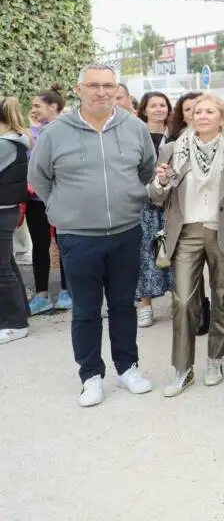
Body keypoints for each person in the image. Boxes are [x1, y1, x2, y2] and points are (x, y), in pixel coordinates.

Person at [29, 64, 157, 406]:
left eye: (109, 85)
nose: (102, 91)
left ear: (117, 89)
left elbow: (146, 168)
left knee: (122, 305)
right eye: (94, 85)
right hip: (79, 237)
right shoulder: (56, 132)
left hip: (126, 232)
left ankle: (128, 367)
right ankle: (91, 375)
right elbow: (39, 178)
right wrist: (61, 209)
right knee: (85, 310)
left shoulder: (134, 127)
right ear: (79, 88)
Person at [148, 93, 224, 397]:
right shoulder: (173, 149)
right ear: (189, 117)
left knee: (223, 296)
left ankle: (215, 358)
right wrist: (160, 182)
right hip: (185, 231)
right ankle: (182, 369)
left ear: (221, 118)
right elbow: (156, 195)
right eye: (197, 111)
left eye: (209, 111)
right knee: (184, 301)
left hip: (221, 230)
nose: (201, 116)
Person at [26, 85, 70, 313]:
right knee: (40, 245)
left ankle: (67, 290)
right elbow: (30, 158)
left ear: (53, 106)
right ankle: (41, 294)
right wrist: (32, 129)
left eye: (37, 105)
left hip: (61, 197)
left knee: (64, 244)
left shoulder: (65, 128)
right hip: (35, 200)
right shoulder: (33, 131)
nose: (33, 110)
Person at [135, 91, 173, 328]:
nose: (159, 109)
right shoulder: (136, 135)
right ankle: (145, 305)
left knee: (174, 252)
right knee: (145, 253)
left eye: (163, 105)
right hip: (144, 204)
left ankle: (179, 301)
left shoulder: (176, 135)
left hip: (171, 203)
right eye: (154, 105)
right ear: (144, 110)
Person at [0, 97, 32, 344]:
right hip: (7, 209)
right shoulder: (15, 140)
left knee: (2, 269)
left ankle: (15, 323)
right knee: (7, 264)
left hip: (2, 210)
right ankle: (20, 314)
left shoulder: (4, 144)